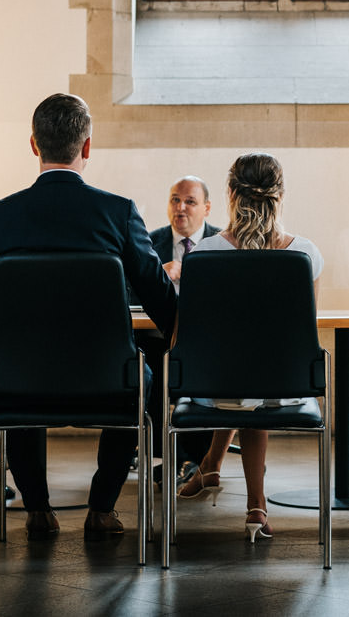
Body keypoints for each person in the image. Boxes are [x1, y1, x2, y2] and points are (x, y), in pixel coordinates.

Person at [0, 92, 177, 542]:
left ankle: (37, 509)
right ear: (87, 148)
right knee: (144, 376)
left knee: (15, 373)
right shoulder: (118, 213)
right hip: (108, 380)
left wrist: (8, 347)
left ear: (34, 146)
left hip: (22, 379)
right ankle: (101, 507)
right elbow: (161, 299)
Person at [176, 152, 323, 544]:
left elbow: (192, 337)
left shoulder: (203, 255)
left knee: (242, 379)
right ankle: (238, 491)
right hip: (286, 387)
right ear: (280, 195)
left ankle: (228, 480)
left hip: (216, 389)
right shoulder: (304, 255)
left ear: (230, 194)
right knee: (254, 376)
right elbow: (304, 331)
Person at [139, 176, 220, 486]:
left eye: (190, 201)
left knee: (203, 368)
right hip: (159, 339)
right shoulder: (148, 243)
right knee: (156, 367)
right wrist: (159, 274)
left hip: (210, 342)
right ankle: (173, 454)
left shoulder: (222, 242)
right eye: (175, 200)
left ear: (207, 208)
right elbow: (128, 290)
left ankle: (197, 458)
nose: (181, 207)